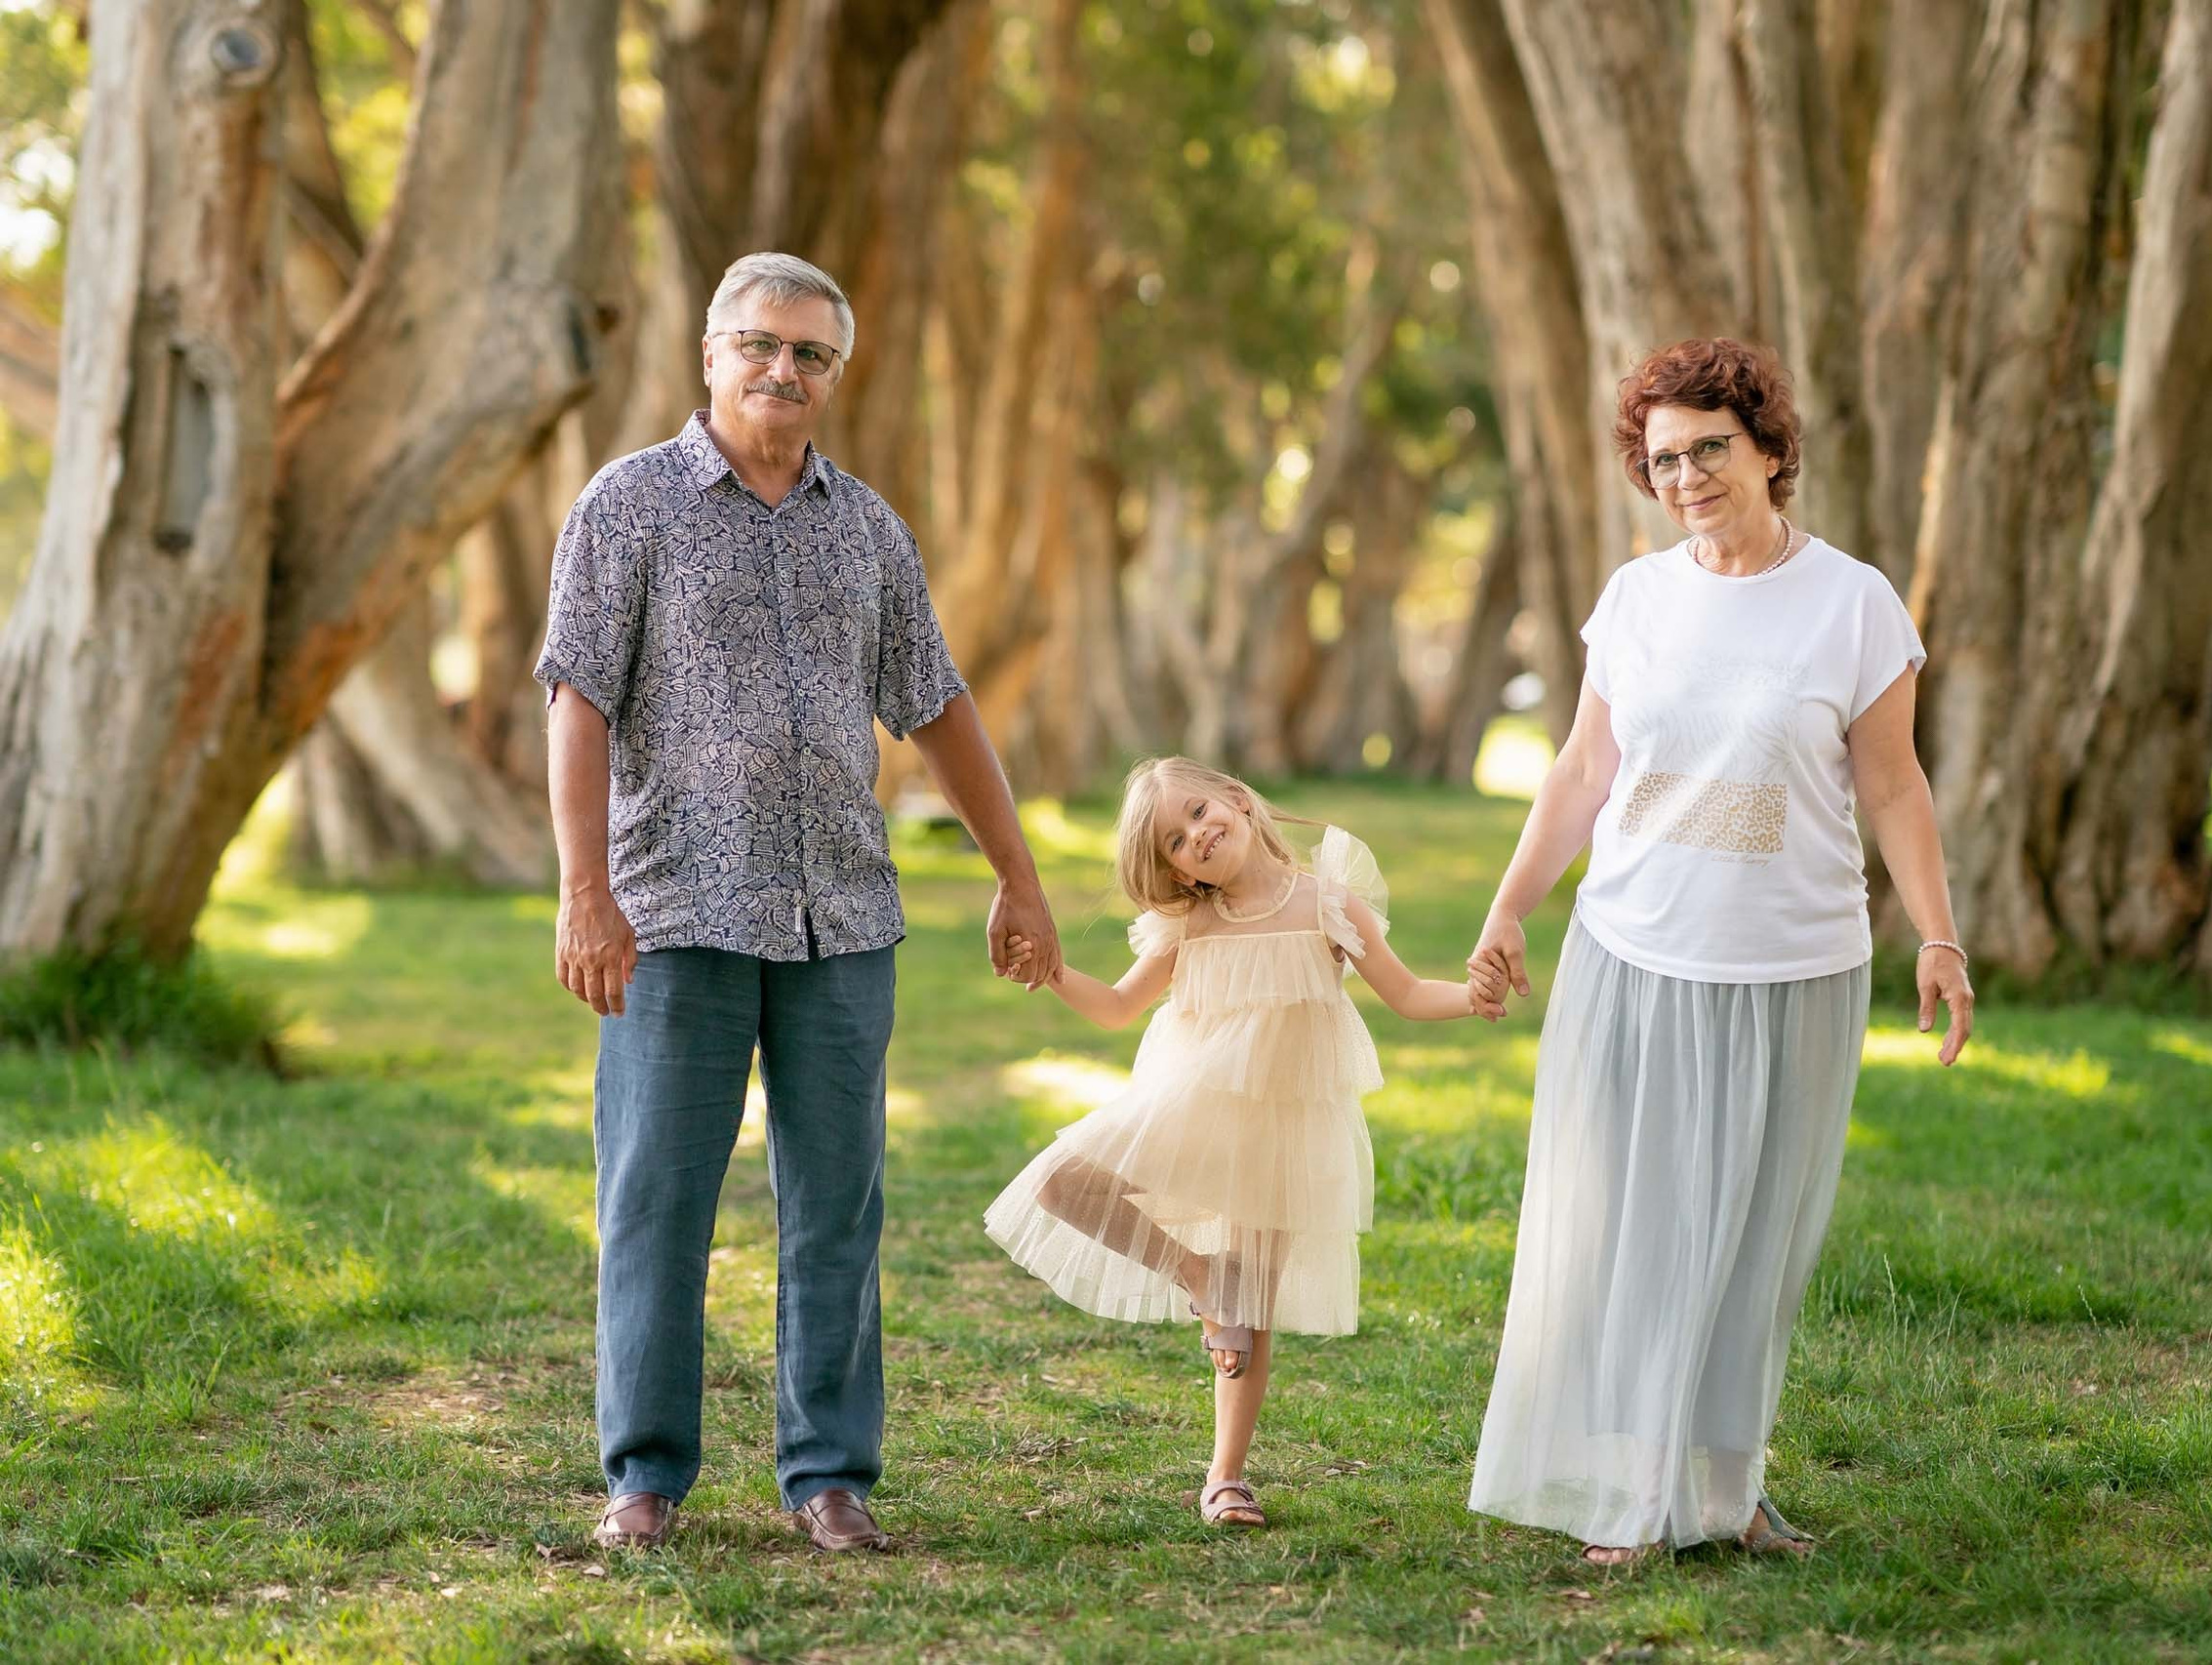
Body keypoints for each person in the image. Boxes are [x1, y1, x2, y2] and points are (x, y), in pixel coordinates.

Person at [538, 251, 1063, 1555]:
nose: (785, 369)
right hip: (674, 910)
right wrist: (584, 891)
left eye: (811, 353)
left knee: (838, 1203)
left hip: (843, 915)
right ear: (711, 354)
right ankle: (644, 1479)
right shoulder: (629, 507)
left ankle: (831, 1475)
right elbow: (578, 697)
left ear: (836, 371)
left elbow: (936, 703)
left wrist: (1018, 874)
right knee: (657, 1197)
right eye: (762, 344)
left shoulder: (869, 528)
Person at [1465, 337, 1974, 1563]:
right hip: (1633, 951)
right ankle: (1635, 1496)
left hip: (1795, 963)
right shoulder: (1636, 598)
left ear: (1768, 451)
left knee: (1755, 1239)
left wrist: (1939, 934)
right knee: (1635, 1227)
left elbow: (1894, 785)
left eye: (1710, 448)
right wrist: (1509, 904)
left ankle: (1729, 1489)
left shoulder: (1851, 600)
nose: (1687, 474)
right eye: (1663, 458)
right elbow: (1584, 769)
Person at [986, 755, 1479, 1528]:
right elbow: (1117, 1007)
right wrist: (1049, 970)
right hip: (1188, 1106)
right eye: (1176, 842)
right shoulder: (1192, 925)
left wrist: (1471, 997)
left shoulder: (1328, 903)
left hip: (1283, 1124)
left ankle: (1225, 1477)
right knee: (1062, 1183)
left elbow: (1410, 994)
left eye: (1197, 812)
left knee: (1249, 1313)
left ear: (1238, 800)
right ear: (1178, 874)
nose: (1196, 835)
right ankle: (1196, 1271)